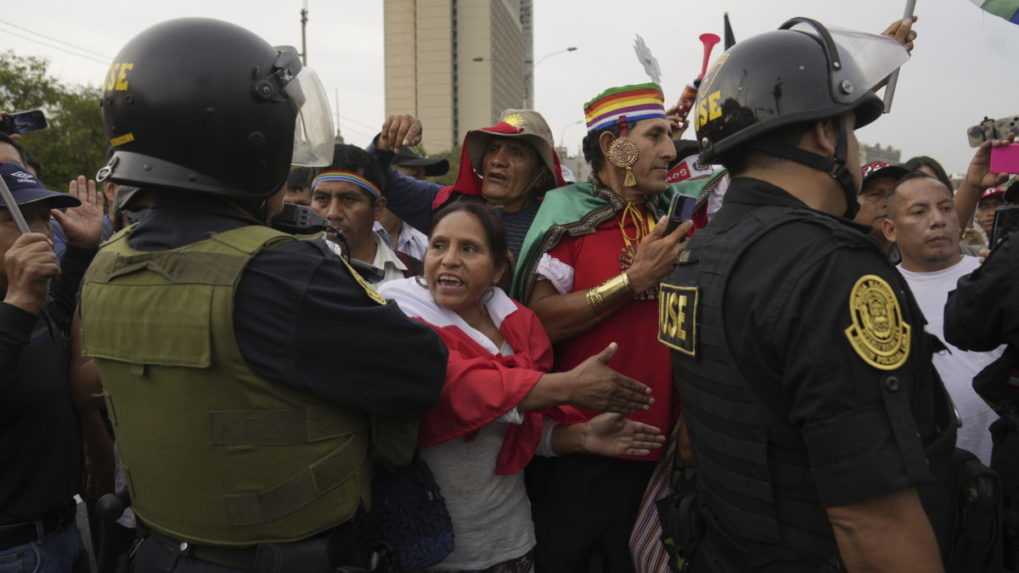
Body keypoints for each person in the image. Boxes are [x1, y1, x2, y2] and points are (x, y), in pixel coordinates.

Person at [80, 18, 447, 572]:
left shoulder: (107, 261)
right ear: (246, 140)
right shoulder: (279, 270)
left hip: (157, 550)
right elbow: (420, 371)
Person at [661, 17, 962, 572]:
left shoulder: (697, 254)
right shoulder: (830, 269)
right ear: (826, 134)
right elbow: (872, 519)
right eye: (852, 128)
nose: (855, 147)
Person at [379, 201, 665, 571]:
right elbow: (458, 387)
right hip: (433, 552)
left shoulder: (520, 327)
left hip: (510, 544)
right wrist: (566, 386)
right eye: (438, 245)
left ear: (500, 267)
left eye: (469, 249)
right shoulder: (396, 314)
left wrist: (580, 437)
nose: (449, 259)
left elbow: (518, 427)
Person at [510, 82, 687, 572]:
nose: (670, 151)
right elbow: (538, 321)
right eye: (654, 137)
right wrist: (631, 282)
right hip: (583, 448)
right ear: (614, 146)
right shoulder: (569, 217)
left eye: (670, 136)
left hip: (666, 452)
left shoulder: (676, 217)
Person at [0, 162, 105, 573]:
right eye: (18, 218)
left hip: (62, 534)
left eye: (44, 217)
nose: (41, 232)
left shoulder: (25, 302)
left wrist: (79, 253)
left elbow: (54, 329)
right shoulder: (18, 302)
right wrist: (20, 301)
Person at [881, 171, 1004, 464]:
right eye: (919, 212)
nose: (937, 220)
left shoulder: (996, 273)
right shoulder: (879, 291)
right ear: (890, 229)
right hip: (934, 470)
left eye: (946, 207)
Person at [370, 109, 566, 259]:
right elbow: (372, 177)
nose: (497, 160)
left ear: (540, 174)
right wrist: (384, 144)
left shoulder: (559, 229)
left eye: (516, 153)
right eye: (493, 149)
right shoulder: (451, 205)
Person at [311, 143, 419, 284]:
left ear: (378, 208)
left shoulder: (414, 274)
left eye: (348, 199)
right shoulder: (291, 269)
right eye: (322, 199)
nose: (332, 213)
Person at [855, 160, 908, 256]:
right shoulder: (833, 258)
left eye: (895, 195)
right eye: (875, 194)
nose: (887, 203)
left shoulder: (916, 260)